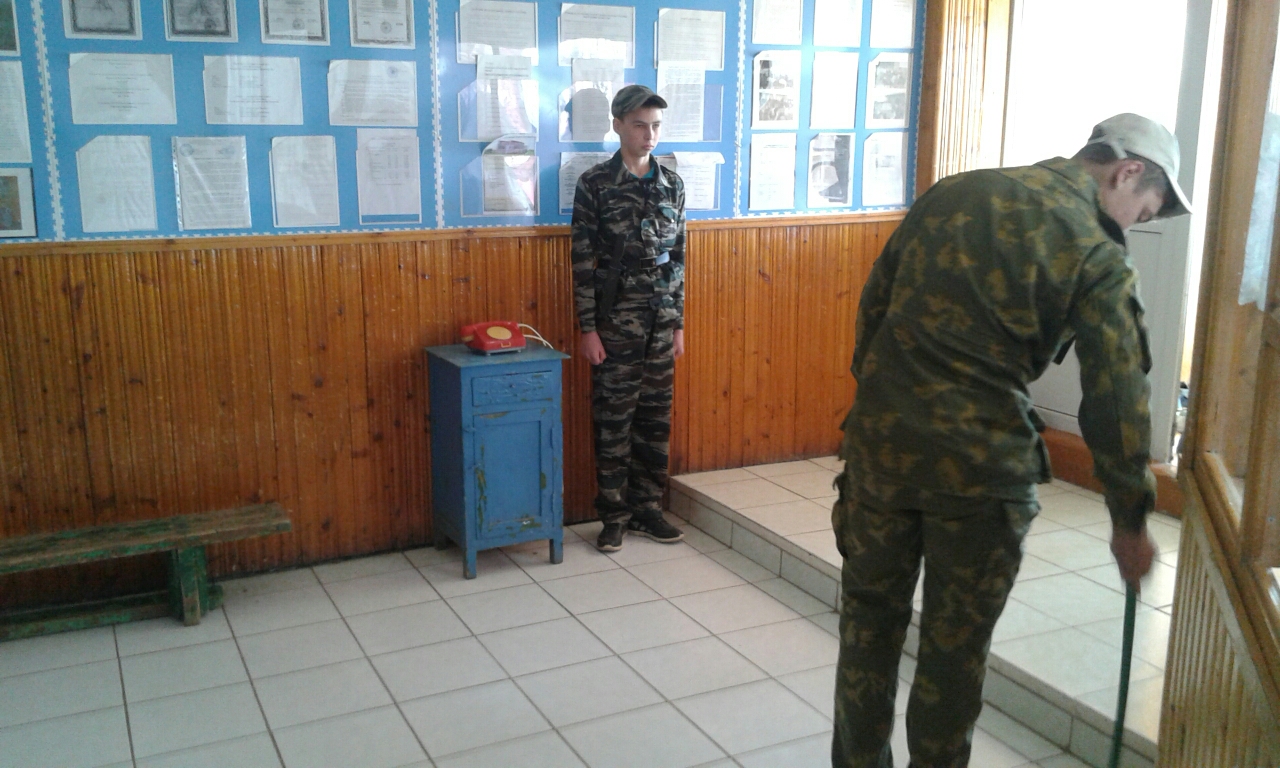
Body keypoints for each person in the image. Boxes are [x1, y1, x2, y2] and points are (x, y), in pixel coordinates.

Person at [830, 113, 1192, 768]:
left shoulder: (957, 190)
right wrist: (1130, 519)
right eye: (1143, 211)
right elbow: (1115, 400)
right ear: (1127, 171)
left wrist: (888, 409)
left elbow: (874, 309)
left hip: (879, 454)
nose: (1134, 225)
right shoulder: (1097, 251)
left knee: (867, 631)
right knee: (953, 657)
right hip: (980, 477)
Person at [571, 84, 688, 552]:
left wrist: (678, 323)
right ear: (618, 125)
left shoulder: (672, 184)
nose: (649, 135)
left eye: (655, 126)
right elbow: (582, 262)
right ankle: (614, 516)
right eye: (640, 125)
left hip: (660, 321)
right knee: (614, 422)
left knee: (655, 421)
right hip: (615, 321)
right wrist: (588, 329)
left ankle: (647, 509)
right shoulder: (595, 183)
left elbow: (678, 257)